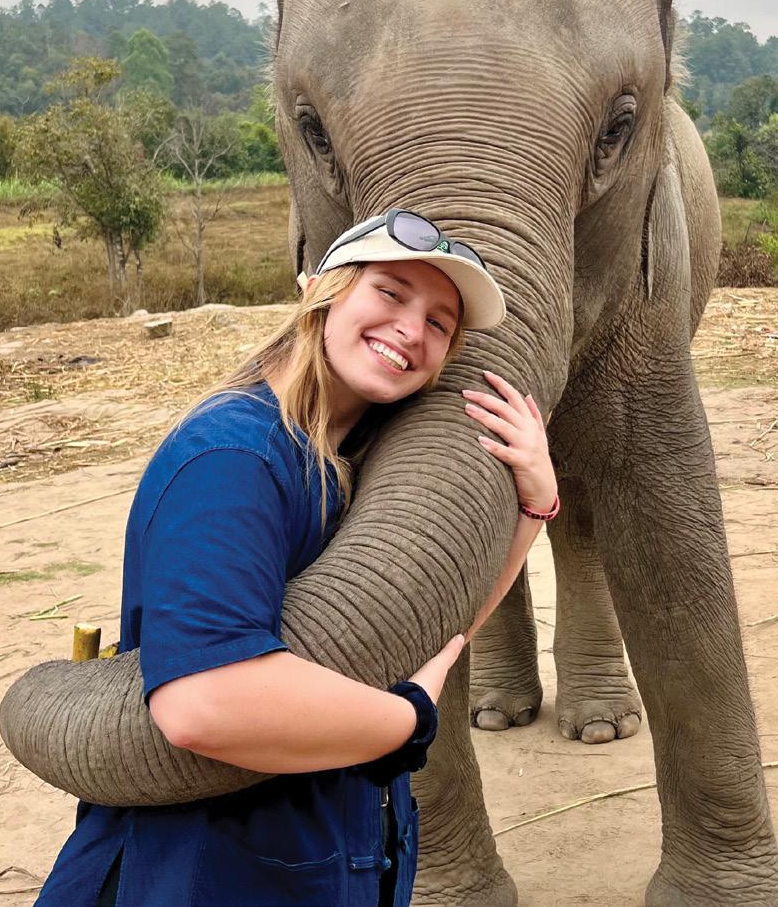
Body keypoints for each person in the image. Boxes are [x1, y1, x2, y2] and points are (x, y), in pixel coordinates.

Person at [34, 207, 559, 907]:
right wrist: (408, 721)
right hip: (204, 867)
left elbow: (434, 623)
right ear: (318, 289)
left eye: (439, 323)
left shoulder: (347, 459)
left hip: (315, 850)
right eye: (390, 292)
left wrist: (533, 507)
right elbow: (203, 704)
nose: (412, 329)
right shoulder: (233, 456)